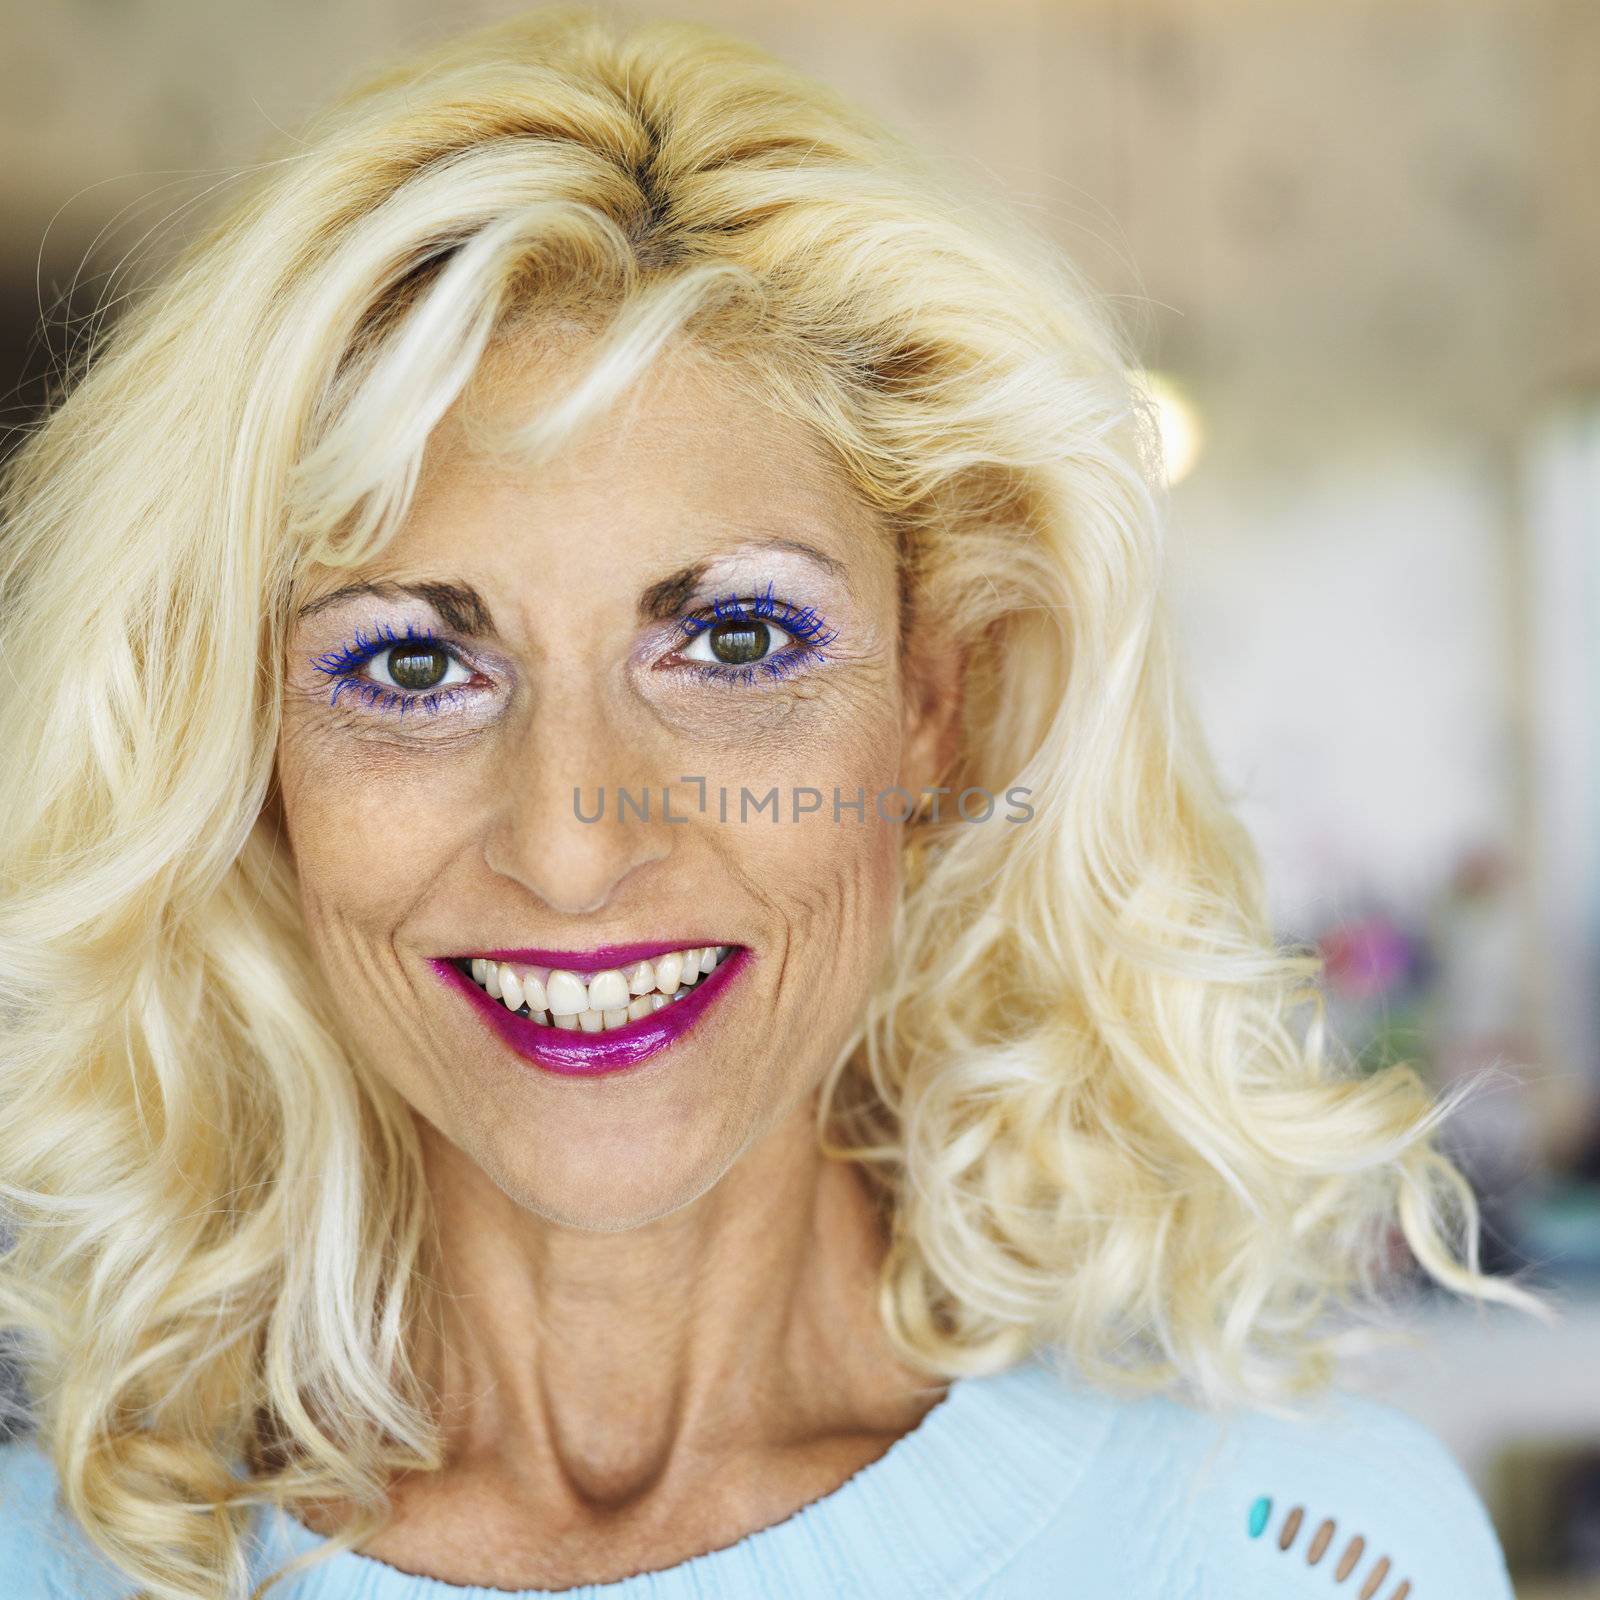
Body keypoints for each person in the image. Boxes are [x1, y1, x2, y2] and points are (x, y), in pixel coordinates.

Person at [0, 9, 1540, 1597]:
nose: (574, 846)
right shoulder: (51, 1556)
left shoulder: (1301, 1554)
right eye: (407, 668)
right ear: (251, 757)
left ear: (929, 708)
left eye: (735, 640)